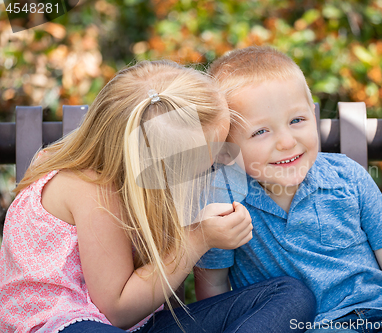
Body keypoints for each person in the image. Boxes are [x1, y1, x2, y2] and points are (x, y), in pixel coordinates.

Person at [0, 60, 316, 333]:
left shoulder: (141, 181)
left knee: (289, 295)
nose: (217, 162)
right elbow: (117, 312)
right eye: (202, 161)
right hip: (66, 325)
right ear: (156, 164)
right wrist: (197, 239)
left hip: (144, 325)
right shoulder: (90, 188)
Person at [194, 47, 382, 333]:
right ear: (226, 147)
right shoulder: (225, 202)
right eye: (261, 131)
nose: (287, 142)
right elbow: (215, 289)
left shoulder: (348, 178)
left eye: (297, 120)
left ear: (313, 115)